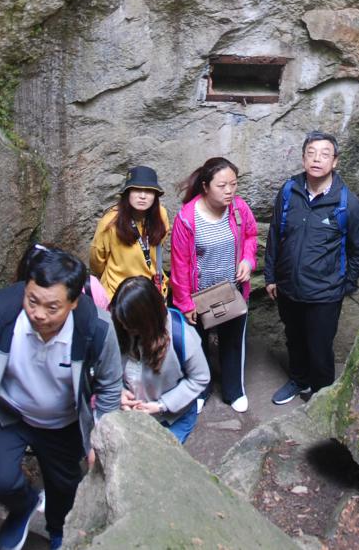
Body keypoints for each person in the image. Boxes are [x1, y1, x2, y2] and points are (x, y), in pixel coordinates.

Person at [0, 247, 122, 550]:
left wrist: (100, 438)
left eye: (52, 307)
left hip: (64, 422)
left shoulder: (95, 328)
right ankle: (24, 505)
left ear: (74, 302)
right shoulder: (1, 312)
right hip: (10, 412)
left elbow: (110, 386)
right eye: (32, 301)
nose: (39, 314)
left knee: (64, 487)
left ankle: (58, 531)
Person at [264, 131, 359, 405]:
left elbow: (358, 249)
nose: (317, 159)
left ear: (335, 161)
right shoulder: (289, 191)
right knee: (294, 339)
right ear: (303, 159)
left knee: (320, 349)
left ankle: (321, 397)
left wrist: (346, 284)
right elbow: (275, 234)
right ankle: (298, 380)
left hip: (324, 293)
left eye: (324, 154)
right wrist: (271, 276)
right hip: (288, 286)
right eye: (311, 153)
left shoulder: (347, 204)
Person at [169, 157, 258, 414]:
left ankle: (234, 391)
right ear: (205, 186)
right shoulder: (187, 219)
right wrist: (185, 303)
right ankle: (201, 390)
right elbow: (180, 264)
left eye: (234, 184)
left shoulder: (239, 209)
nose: (229, 190)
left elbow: (251, 235)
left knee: (233, 342)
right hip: (199, 296)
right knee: (198, 345)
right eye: (222, 185)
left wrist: (248, 260)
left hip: (232, 291)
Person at [109, 276, 210, 444]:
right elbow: (110, 367)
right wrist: (119, 391)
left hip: (172, 420)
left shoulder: (181, 336)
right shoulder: (122, 328)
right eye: (122, 323)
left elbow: (200, 378)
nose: (125, 328)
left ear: (147, 320)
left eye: (131, 325)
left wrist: (161, 406)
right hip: (134, 416)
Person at [89, 166, 171, 301]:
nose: (142, 196)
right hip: (119, 294)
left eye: (149, 191)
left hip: (152, 290)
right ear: (127, 193)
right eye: (137, 190)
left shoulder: (161, 214)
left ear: (155, 195)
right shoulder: (110, 222)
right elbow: (97, 261)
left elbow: (159, 243)